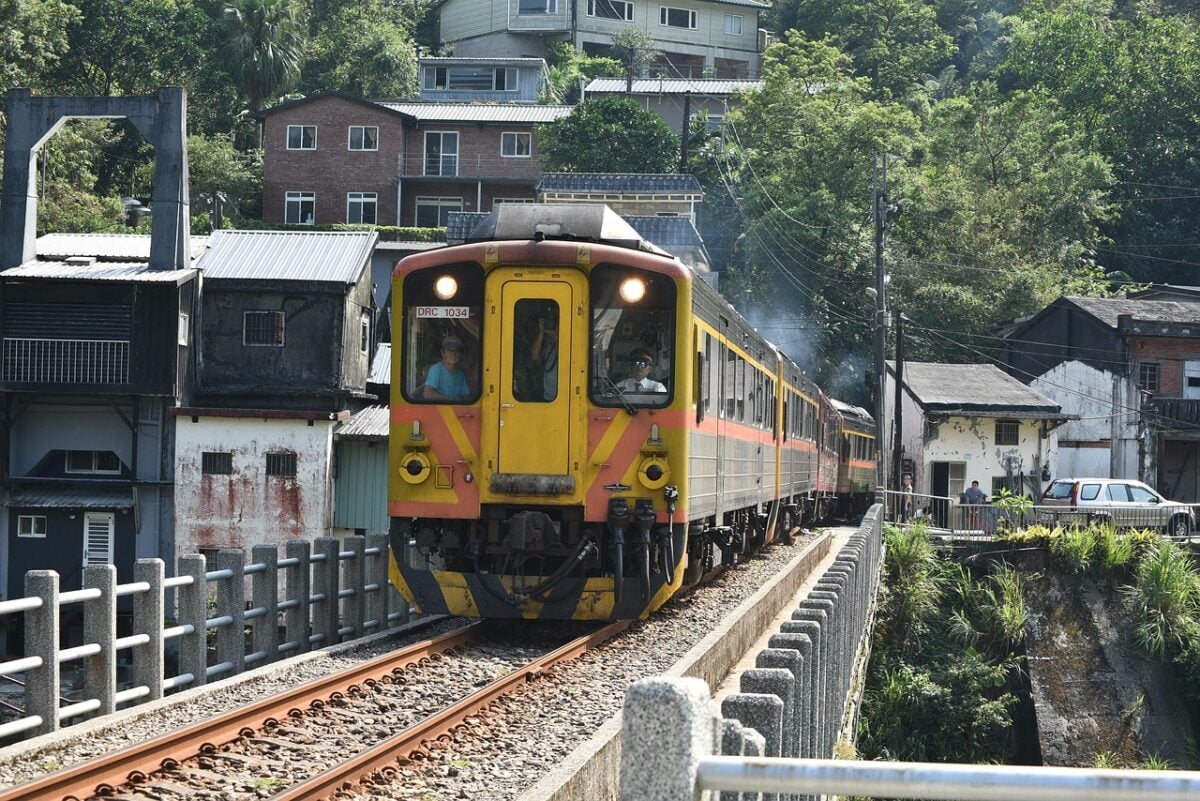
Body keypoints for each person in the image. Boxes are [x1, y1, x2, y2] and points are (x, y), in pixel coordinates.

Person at [423, 335, 471, 401]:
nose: (453, 354)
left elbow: (466, 396)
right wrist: (451, 399)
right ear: (442, 353)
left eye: (457, 350)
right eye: (449, 350)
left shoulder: (460, 374)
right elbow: (427, 394)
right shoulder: (436, 369)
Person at [530, 313, 558, 401]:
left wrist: (556, 336)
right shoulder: (547, 346)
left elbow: (566, 358)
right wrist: (541, 332)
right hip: (548, 396)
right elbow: (534, 355)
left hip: (562, 397)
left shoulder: (567, 343)